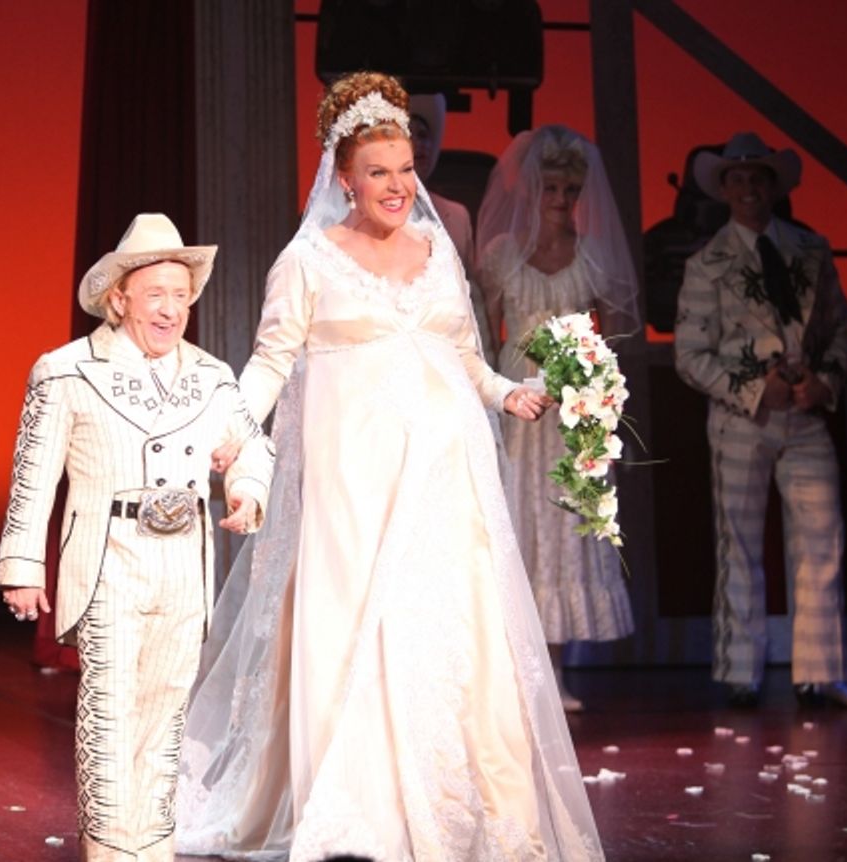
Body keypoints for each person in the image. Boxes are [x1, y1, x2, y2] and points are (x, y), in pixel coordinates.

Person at [176, 72, 605, 861]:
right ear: (344, 178)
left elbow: (467, 357)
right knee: (358, 626)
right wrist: (229, 428)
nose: (399, 186)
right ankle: (359, 806)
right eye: (379, 172)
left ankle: (465, 803)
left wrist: (510, 394)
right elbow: (270, 362)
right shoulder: (308, 261)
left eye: (406, 170)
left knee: (449, 629)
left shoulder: (439, 249)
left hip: (445, 480)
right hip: (353, 482)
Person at [0, 212, 274, 862]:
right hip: (111, 561)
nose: (172, 309)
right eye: (157, 294)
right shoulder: (66, 371)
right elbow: (34, 475)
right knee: (112, 715)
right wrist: (22, 565)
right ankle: (111, 853)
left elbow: (251, 448)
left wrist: (246, 490)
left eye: (181, 295)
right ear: (120, 298)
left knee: (165, 717)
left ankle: (153, 848)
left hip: (182, 563)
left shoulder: (211, 376)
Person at [673, 132, 847, 709]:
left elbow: (840, 327)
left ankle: (820, 671)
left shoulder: (811, 250)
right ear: (724, 190)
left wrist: (823, 381)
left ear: (773, 186)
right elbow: (690, 355)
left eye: (757, 178)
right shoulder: (706, 263)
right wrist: (757, 390)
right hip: (744, 418)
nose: (748, 189)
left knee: (821, 536)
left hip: (806, 413)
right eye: (737, 180)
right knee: (738, 542)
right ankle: (741, 671)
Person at [473, 125, 639, 712]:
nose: (562, 201)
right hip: (519, 412)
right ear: (532, 190)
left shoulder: (592, 257)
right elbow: (483, 338)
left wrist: (588, 374)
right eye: (551, 189)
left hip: (572, 418)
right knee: (519, 527)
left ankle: (560, 672)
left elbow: (615, 333)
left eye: (572, 190)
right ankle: (515, 674)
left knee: (565, 534)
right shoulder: (500, 258)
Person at [409, 92, 496, 364]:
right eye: (409, 135)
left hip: (452, 356)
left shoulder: (456, 215)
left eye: (424, 135)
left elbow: (472, 299)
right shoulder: (368, 215)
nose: (418, 145)